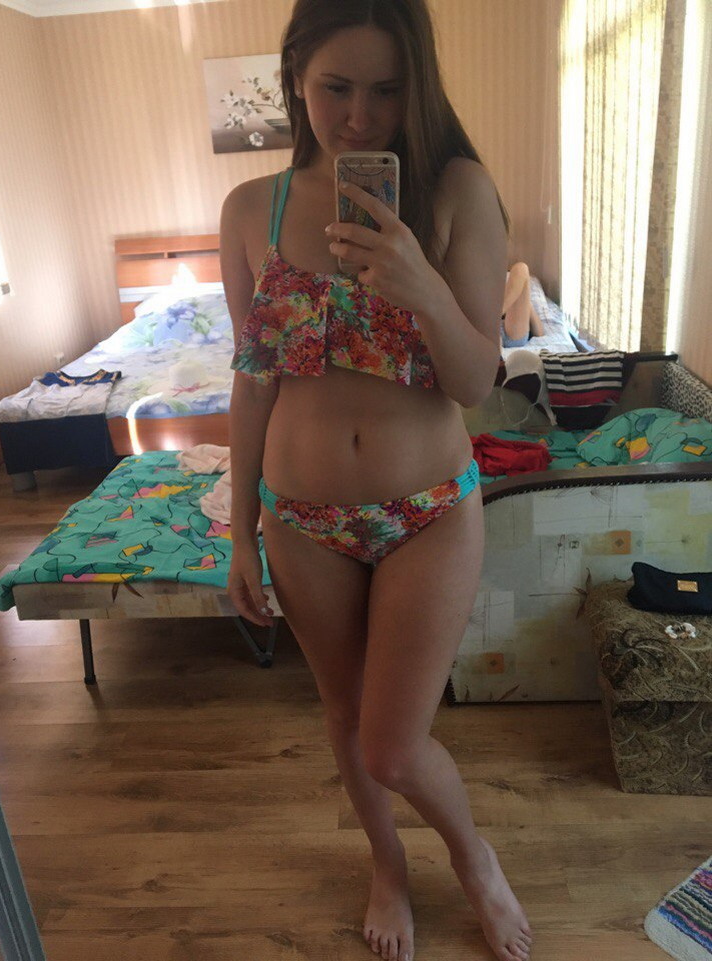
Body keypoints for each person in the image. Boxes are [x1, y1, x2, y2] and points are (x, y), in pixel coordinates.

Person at [221, 2, 533, 960]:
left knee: (394, 744)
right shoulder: (250, 211)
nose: (360, 117)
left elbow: (475, 381)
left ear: (418, 86)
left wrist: (419, 280)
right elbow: (253, 378)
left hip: (428, 510)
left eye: (388, 90)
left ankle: (474, 858)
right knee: (346, 720)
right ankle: (387, 863)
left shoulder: (457, 190)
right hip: (299, 518)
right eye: (336, 88)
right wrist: (239, 531)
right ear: (295, 79)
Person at [500, 262, 545, 350]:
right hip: (485, 333)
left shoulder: (514, 296)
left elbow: (539, 333)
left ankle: (496, 314)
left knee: (521, 268)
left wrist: (522, 296)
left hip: (511, 331)